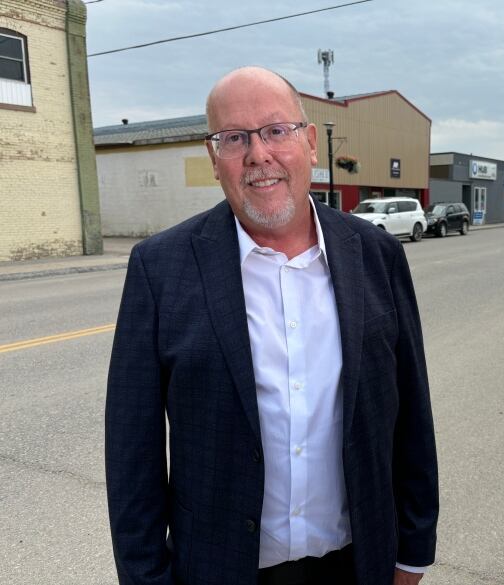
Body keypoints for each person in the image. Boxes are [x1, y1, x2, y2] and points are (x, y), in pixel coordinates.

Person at [105, 67, 438, 585]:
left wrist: (412, 551)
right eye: (234, 138)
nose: (258, 154)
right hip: (220, 570)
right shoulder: (160, 268)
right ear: (215, 159)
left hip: (358, 563)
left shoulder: (377, 255)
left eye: (275, 131)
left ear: (309, 144)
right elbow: (133, 449)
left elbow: (411, 414)